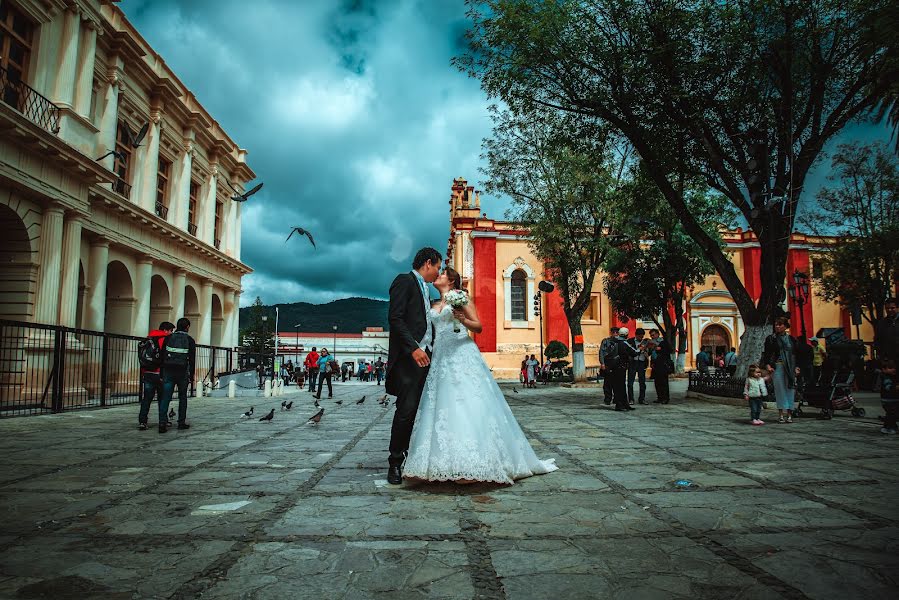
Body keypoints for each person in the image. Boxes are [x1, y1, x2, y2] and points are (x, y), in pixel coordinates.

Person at [403, 267, 557, 484]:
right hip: (441, 356)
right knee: (442, 405)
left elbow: (479, 327)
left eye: (442, 273)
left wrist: (462, 319)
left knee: (468, 401)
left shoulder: (461, 297)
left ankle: (473, 462)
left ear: (452, 280)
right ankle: (442, 463)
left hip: (462, 352)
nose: (438, 275)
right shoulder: (433, 304)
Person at [386, 247, 442, 485]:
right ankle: (395, 462)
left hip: (426, 357)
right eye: (437, 267)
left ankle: (411, 454)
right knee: (406, 411)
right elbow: (395, 318)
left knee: (420, 411)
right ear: (427, 263)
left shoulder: (425, 289)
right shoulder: (404, 281)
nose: (438, 272)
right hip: (411, 359)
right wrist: (414, 348)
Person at [159, 318, 196, 433]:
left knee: (166, 397)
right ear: (187, 327)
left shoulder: (168, 338)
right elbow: (192, 359)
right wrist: (192, 375)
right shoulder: (190, 340)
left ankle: (162, 422)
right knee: (182, 397)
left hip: (168, 371)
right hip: (183, 372)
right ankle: (181, 422)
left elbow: (162, 355)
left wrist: (161, 372)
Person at [762, 316, 801, 424]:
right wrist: (768, 365)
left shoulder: (791, 339)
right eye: (776, 324)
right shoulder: (771, 338)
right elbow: (767, 353)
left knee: (790, 389)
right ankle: (780, 414)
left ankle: (789, 413)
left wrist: (797, 367)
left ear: (785, 326)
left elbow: (795, 354)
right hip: (777, 366)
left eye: (780, 324)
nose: (777, 326)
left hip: (790, 367)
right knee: (780, 390)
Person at [138, 321, 174, 430]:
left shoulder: (147, 339)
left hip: (147, 372)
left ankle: (142, 421)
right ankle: (163, 420)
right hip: (160, 373)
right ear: (165, 330)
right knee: (162, 398)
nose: (171, 333)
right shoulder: (164, 339)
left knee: (147, 399)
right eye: (171, 331)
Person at [609, 327, 639, 412]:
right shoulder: (624, 343)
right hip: (621, 367)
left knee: (617, 386)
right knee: (621, 386)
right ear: (626, 334)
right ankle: (620, 405)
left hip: (613, 366)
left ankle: (624, 404)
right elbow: (635, 353)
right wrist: (641, 349)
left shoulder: (613, 342)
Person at [648, 329, 673, 404]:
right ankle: (660, 397)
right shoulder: (651, 343)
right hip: (655, 365)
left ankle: (665, 398)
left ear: (657, 334)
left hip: (662, 364)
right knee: (657, 382)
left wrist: (659, 349)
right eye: (651, 335)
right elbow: (651, 354)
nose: (652, 337)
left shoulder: (663, 342)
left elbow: (668, 350)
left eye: (653, 335)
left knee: (664, 382)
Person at [627, 328, 649, 404]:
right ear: (636, 335)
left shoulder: (646, 342)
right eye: (639, 336)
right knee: (630, 382)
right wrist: (638, 349)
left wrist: (646, 352)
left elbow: (649, 351)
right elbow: (628, 351)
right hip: (633, 362)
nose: (641, 338)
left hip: (642, 362)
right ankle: (631, 399)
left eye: (642, 336)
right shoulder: (630, 341)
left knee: (642, 382)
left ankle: (642, 399)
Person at [599, 327, 620, 405]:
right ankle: (607, 399)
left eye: (617, 332)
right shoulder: (606, 341)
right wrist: (602, 363)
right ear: (611, 333)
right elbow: (602, 352)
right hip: (608, 363)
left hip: (617, 364)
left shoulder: (620, 342)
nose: (615, 334)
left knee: (617, 382)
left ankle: (616, 398)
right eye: (613, 332)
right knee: (607, 383)